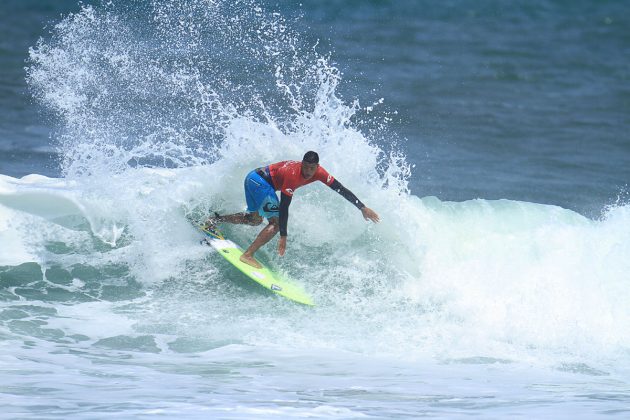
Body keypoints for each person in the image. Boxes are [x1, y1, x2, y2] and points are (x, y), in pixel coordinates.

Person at [206, 151, 380, 268]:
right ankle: (248, 255)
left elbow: (340, 188)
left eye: (312, 168)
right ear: (301, 163)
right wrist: (283, 235)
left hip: (252, 178)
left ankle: (214, 220)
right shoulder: (293, 174)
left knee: (254, 220)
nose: (308, 171)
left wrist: (362, 207)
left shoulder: (320, 173)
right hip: (261, 183)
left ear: (317, 167)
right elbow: (284, 206)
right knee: (274, 223)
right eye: (305, 166)